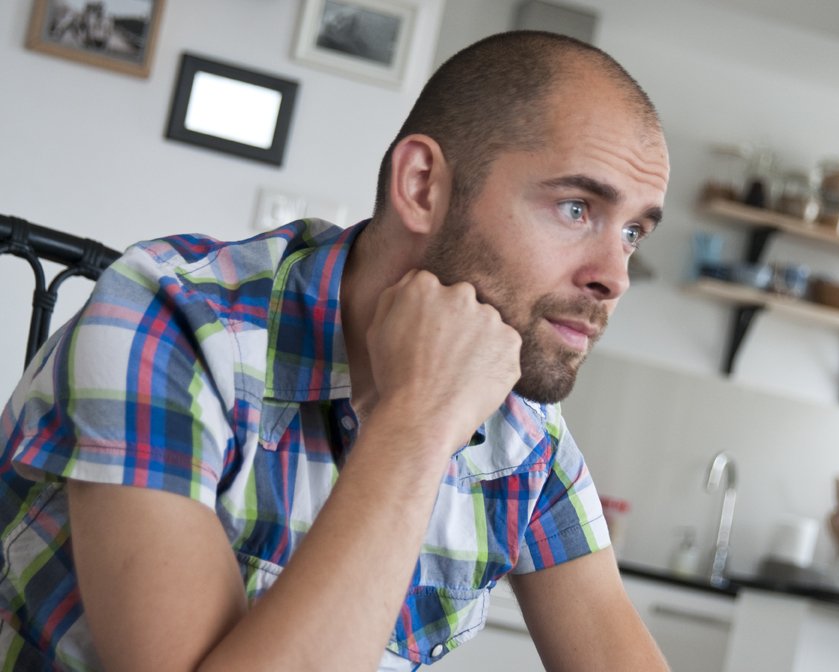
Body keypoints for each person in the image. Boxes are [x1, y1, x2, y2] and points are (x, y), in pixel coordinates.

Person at [0, 31, 670, 671]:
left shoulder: (524, 432)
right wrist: (418, 421)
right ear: (422, 187)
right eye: (576, 208)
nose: (615, 276)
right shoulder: (166, 325)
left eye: (633, 232)